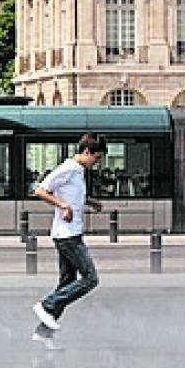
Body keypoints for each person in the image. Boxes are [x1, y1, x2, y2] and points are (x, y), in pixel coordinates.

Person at [32, 134, 107, 334]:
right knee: (90, 278)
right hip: (67, 235)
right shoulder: (69, 168)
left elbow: (73, 196)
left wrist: (90, 202)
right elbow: (41, 190)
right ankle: (47, 305)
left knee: (67, 283)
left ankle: (43, 332)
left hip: (69, 233)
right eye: (96, 158)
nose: (96, 163)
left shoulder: (79, 170)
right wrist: (63, 205)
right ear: (86, 152)